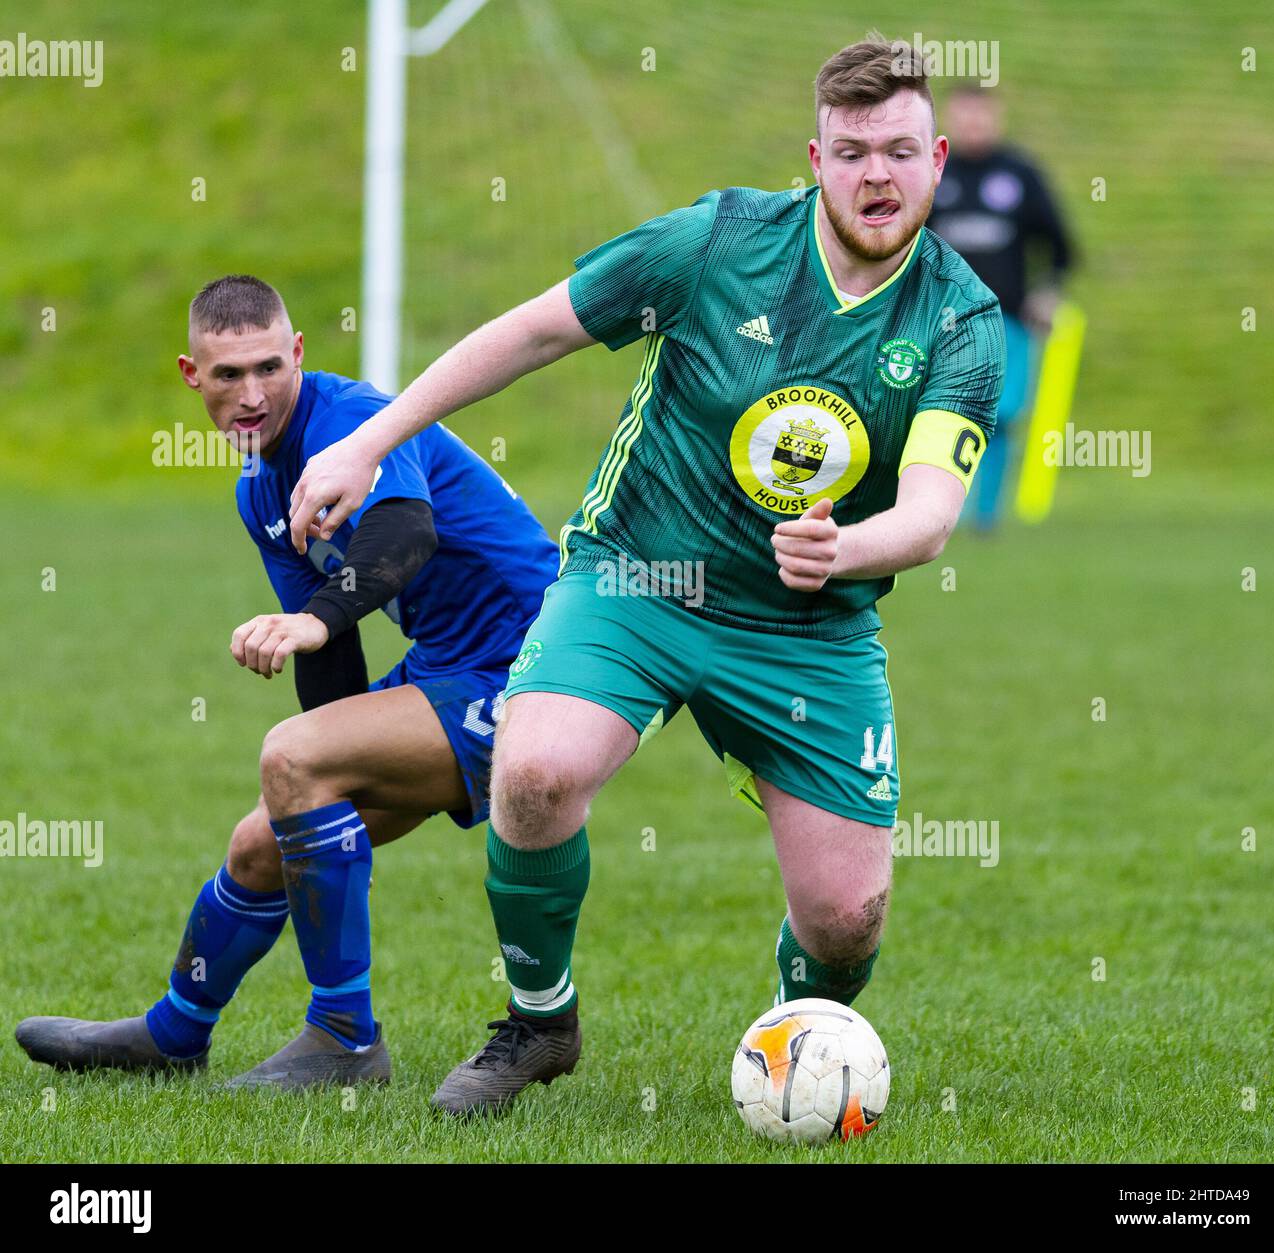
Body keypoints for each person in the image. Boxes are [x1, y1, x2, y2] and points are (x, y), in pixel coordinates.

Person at [287, 34, 1005, 1117]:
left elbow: (930, 513)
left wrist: (843, 550)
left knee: (847, 920)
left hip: (806, 628)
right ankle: (539, 1020)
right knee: (530, 774)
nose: (875, 176)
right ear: (812, 155)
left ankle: (796, 1041)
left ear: (937, 159)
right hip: (637, 579)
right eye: (851, 151)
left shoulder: (960, 316)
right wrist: (366, 441)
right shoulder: (715, 243)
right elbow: (533, 331)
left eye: (899, 152)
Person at [15, 276, 558, 1089]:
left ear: (298, 352)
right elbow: (331, 673)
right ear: (190, 375)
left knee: (292, 758)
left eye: (269, 366)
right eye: (227, 375)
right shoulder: (257, 489)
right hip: (451, 664)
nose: (251, 393)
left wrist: (317, 622)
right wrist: (325, 738)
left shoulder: (350, 420)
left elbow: (407, 530)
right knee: (261, 838)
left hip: (534, 667)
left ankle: (345, 1037)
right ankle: (173, 1034)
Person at [926, 83, 1075, 531]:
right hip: (940, 320)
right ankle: (932, 511)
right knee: (935, 411)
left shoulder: (1020, 174)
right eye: (965, 114)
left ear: (997, 117)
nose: (975, 123)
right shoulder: (931, 171)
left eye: (982, 114)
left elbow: (1061, 246)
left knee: (999, 414)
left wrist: (1048, 292)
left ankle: (984, 519)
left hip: (1006, 319)